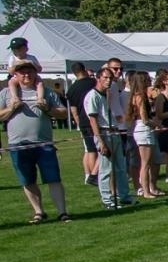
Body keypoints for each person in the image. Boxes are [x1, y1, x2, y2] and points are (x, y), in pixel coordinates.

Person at [2, 57, 70, 223]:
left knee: (53, 179)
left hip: (44, 144)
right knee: (27, 180)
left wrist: (48, 108)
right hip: (18, 145)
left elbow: (63, 112)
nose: (26, 74)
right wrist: (11, 108)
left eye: (29, 71)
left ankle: (62, 212)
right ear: (15, 75)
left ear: (35, 72)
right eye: (22, 71)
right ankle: (39, 212)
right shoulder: (5, 94)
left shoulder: (46, 92)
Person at [82, 65, 132, 210]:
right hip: (103, 133)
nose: (109, 81)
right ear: (98, 78)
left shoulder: (108, 94)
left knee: (121, 167)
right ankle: (107, 200)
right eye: (105, 78)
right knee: (105, 169)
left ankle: (124, 196)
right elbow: (93, 120)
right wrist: (101, 141)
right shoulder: (92, 96)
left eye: (110, 78)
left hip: (114, 131)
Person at [127, 71, 161, 198]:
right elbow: (145, 119)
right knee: (145, 163)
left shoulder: (139, 95)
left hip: (143, 128)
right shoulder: (140, 96)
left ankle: (149, 189)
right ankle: (146, 191)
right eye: (146, 80)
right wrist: (157, 125)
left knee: (148, 162)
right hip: (143, 129)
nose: (149, 82)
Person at [65, 62, 98, 185]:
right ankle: (96, 175)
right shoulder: (93, 82)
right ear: (84, 70)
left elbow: (73, 111)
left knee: (90, 150)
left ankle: (90, 174)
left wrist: (79, 123)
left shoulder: (71, 89)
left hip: (83, 122)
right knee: (98, 149)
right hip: (95, 119)